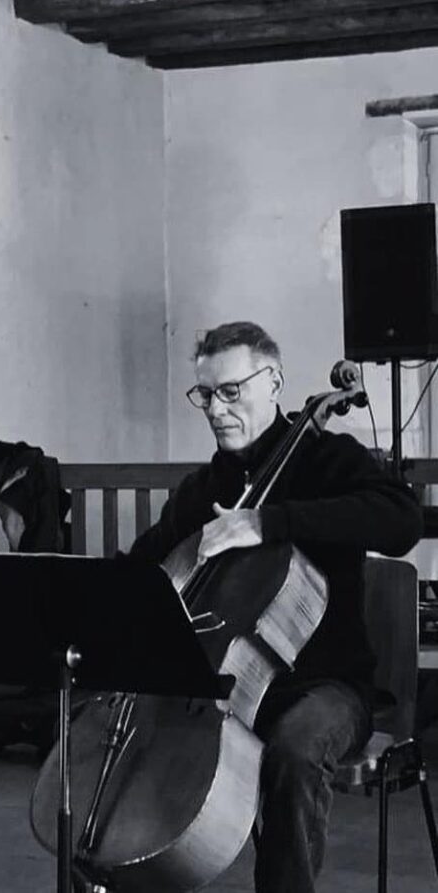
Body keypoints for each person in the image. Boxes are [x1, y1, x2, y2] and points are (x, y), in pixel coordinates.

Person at [125, 321, 422, 893]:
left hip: (328, 688)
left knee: (294, 748)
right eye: (205, 394)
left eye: (230, 391)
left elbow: (401, 520)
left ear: (274, 383)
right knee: (138, 745)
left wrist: (267, 522)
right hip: (222, 690)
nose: (216, 409)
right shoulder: (202, 489)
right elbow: (143, 566)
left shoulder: (328, 460)